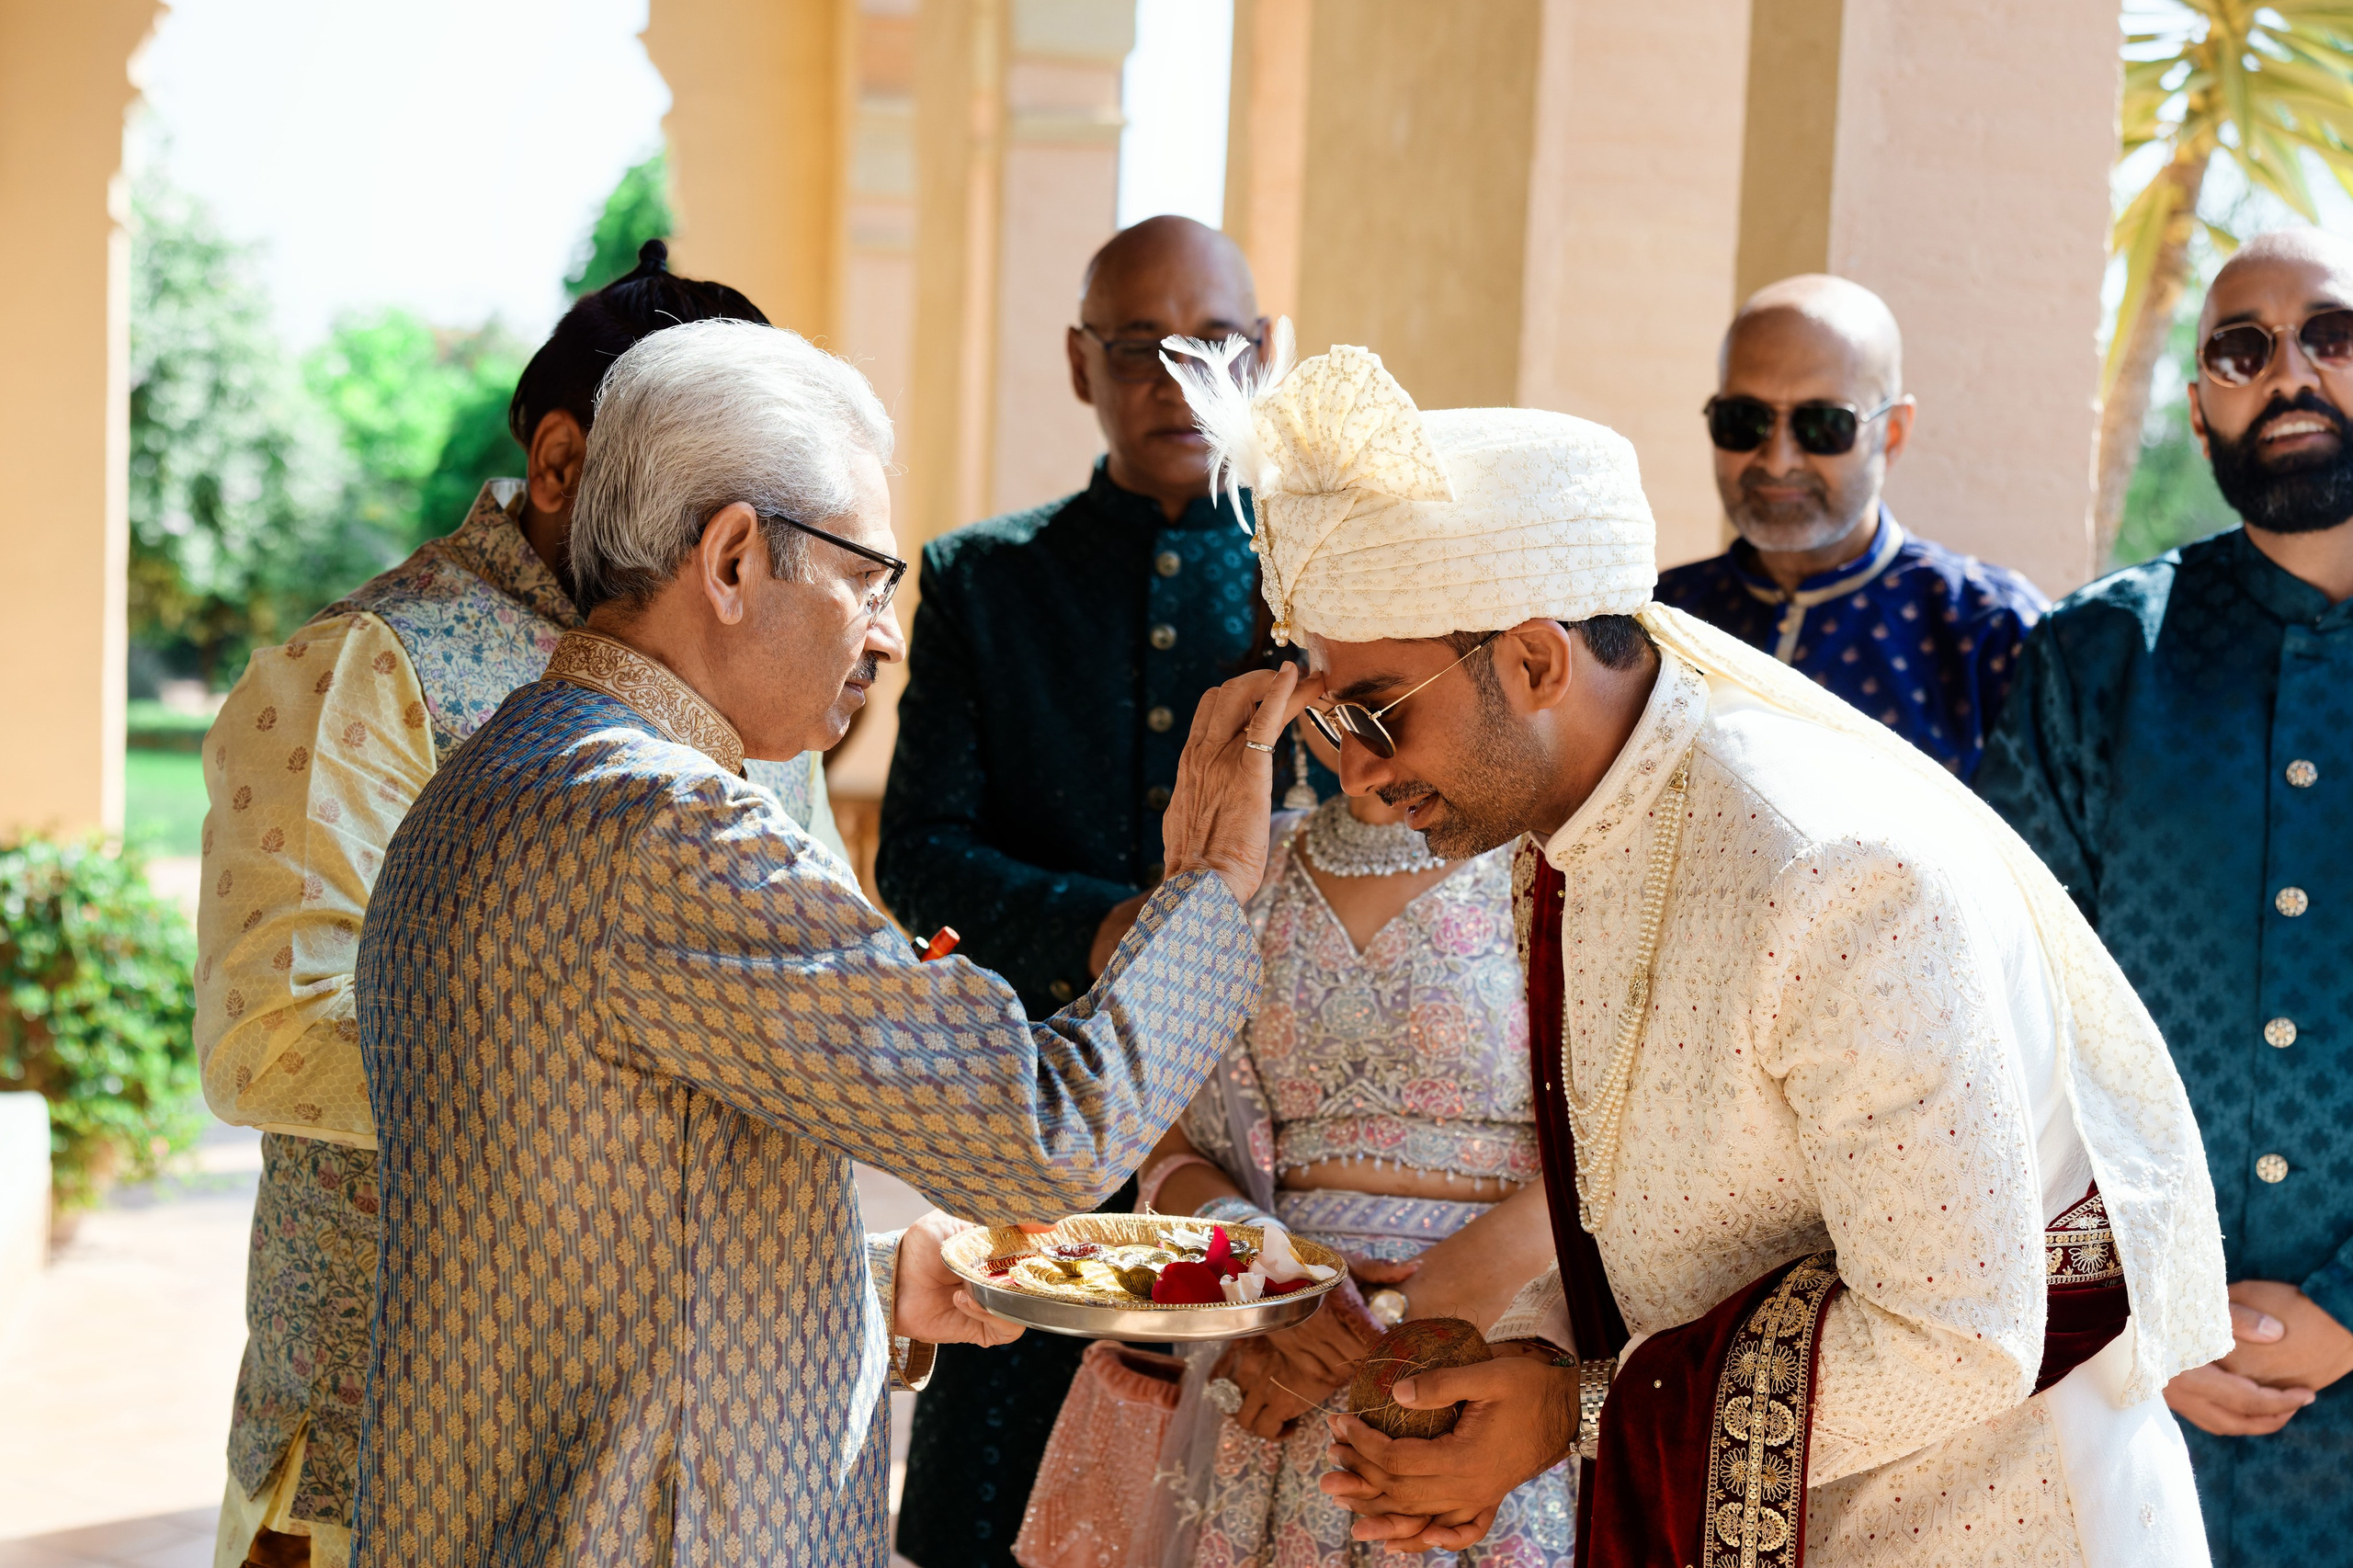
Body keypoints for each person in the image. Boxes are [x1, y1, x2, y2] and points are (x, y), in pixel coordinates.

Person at [1153, 330, 2230, 1564]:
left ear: (1535, 659)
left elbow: (1961, 1334)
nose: (1354, 771)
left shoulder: (1828, 871)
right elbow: (1669, 1213)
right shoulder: (1582, 828)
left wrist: (1574, 1412)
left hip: (1977, 1521)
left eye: (1378, 713)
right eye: (1329, 717)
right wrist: (1511, 1376)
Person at [349, 318, 1300, 1566]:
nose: (888, 634)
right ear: (734, 558)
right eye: (867, 578)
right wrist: (1214, 888)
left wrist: (867, 1284)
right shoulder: (670, 827)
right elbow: (1041, 1132)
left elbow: (573, 1243)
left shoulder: (489, 781)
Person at [193, 244, 813, 1568]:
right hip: (386, 1427)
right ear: (561, 464)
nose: (740, 555)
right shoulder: (369, 665)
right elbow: (269, 1038)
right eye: (709, 500)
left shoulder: (757, 674)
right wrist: (611, 1084)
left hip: (674, 1439)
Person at [880, 213, 1327, 1563]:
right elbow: (921, 852)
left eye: (1217, 345)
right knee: (999, 1502)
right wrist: (1109, 927)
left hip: (1265, 1137)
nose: (1179, 380)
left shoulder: (1321, 588)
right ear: (1080, 362)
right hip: (1043, 1114)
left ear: (1268, 353)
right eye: (1140, 347)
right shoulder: (986, 582)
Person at [1977, 227, 2353, 1568]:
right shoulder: (2094, 662)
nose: (2290, 370)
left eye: (2330, 335)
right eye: (2241, 350)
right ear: (2200, 413)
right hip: (2124, 1407)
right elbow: (2010, 1025)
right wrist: (2143, 1313)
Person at [1116, 715, 1570, 1567]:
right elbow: (1161, 1149)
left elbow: (1628, 1153)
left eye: (1391, 697)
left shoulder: (1559, 864)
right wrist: (1263, 1276)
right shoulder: (1241, 879)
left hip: (1497, 1354)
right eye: (1337, 700)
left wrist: (1416, 1318)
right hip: (1277, 1357)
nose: (1366, 744)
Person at [1654, 275, 2046, 779]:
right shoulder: (1654, 621)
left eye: (1824, 425)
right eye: (1744, 420)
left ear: (1893, 433)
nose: (1778, 460)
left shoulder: (1993, 632)